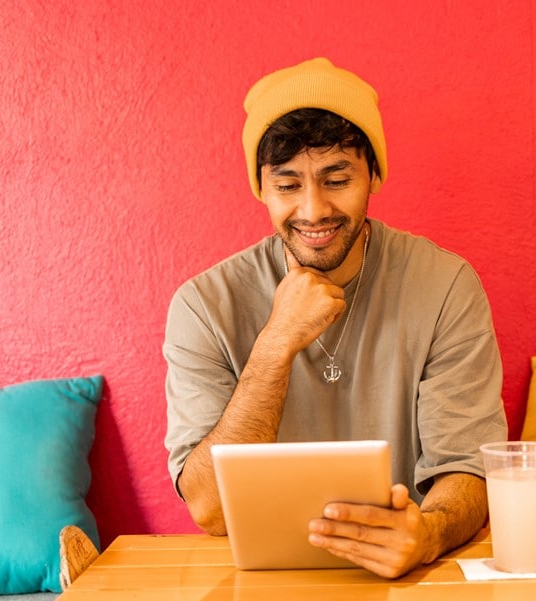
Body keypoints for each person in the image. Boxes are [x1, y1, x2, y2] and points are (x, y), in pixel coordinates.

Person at [163, 57, 507, 578]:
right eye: (287, 185)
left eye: (337, 178)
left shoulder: (445, 286)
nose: (314, 209)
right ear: (261, 188)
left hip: (408, 578)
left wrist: (428, 535)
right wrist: (275, 344)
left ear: (373, 174)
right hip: (262, 582)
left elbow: (468, 467)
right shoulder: (203, 306)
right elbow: (209, 508)